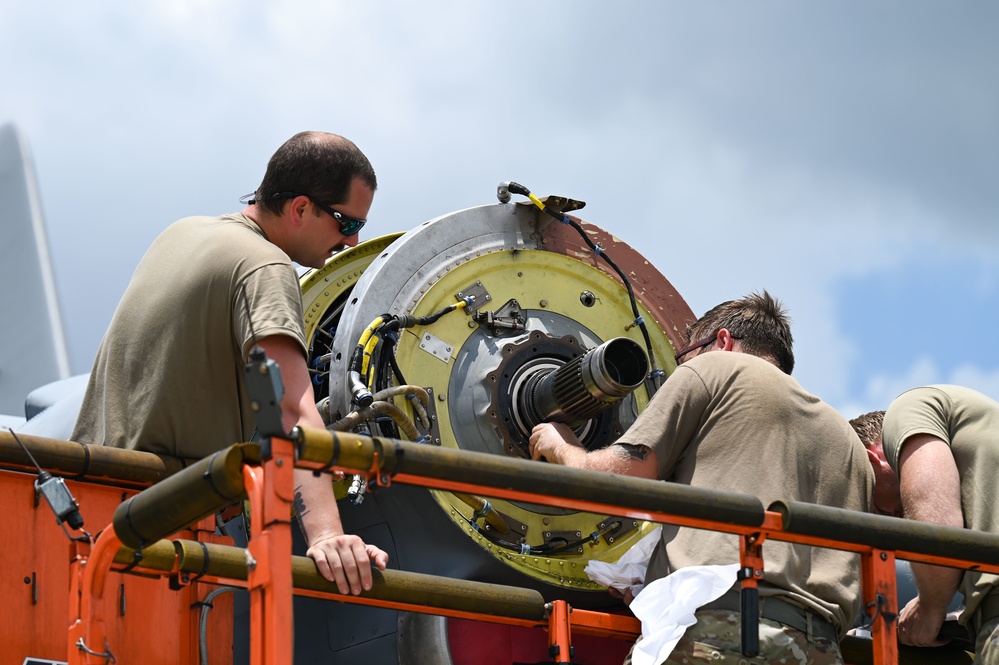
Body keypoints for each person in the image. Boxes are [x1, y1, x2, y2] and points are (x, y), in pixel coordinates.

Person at [72, 131, 388, 595]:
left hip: (84, 514)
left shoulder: (181, 232)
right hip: (156, 532)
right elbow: (292, 410)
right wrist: (328, 534)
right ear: (301, 208)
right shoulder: (265, 268)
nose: (353, 240)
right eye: (345, 223)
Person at [530, 291, 873, 664]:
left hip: (721, 631)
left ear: (722, 341)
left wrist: (563, 447)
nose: (683, 367)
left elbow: (621, 480)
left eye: (685, 356)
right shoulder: (847, 440)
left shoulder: (715, 369)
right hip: (822, 648)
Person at [851, 385, 999, 662]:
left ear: (873, 459)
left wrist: (929, 610)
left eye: (877, 508)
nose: (887, 521)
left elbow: (938, 524)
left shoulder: (911, 409)